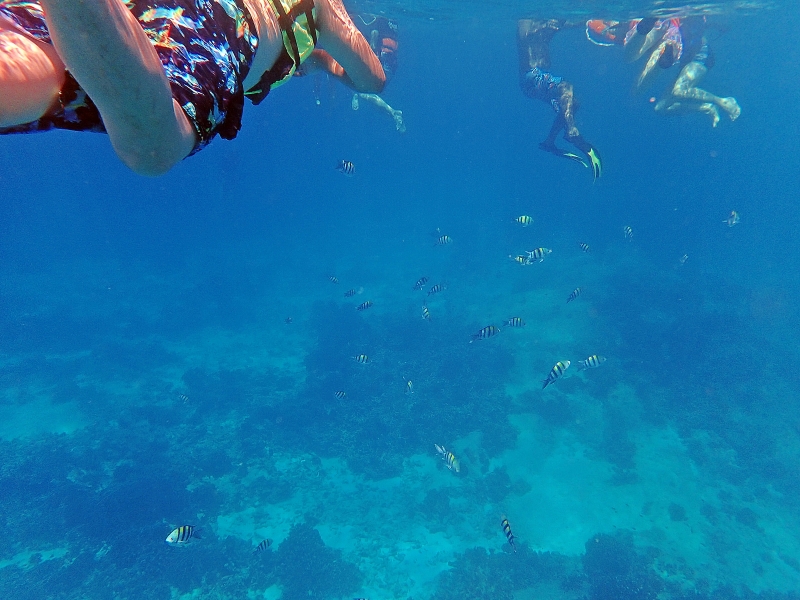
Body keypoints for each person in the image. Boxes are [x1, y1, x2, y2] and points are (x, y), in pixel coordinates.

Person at [0, 0, 385, 176]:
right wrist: (333, 56)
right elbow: (373, 79)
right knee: (155, 146)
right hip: (217, 19)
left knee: (48, 71)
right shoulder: (327, 8)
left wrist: (312, 59)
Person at [587, 16, 741, 127]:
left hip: (699, 57)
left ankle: (721, 100)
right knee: (660, 109)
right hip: (673, 46)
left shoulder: (668, 27)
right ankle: (707, 107)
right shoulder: (632, 32)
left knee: (678, 90)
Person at [517, 19, 603, 181]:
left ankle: (550, 141)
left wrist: (590, 21)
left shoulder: (546, 23)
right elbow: (528, 32)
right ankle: (571, 131)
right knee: (566, 86)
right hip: (531, 76)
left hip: (534, 80)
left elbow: (564, 23)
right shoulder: (529, 22)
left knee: (572, 104)